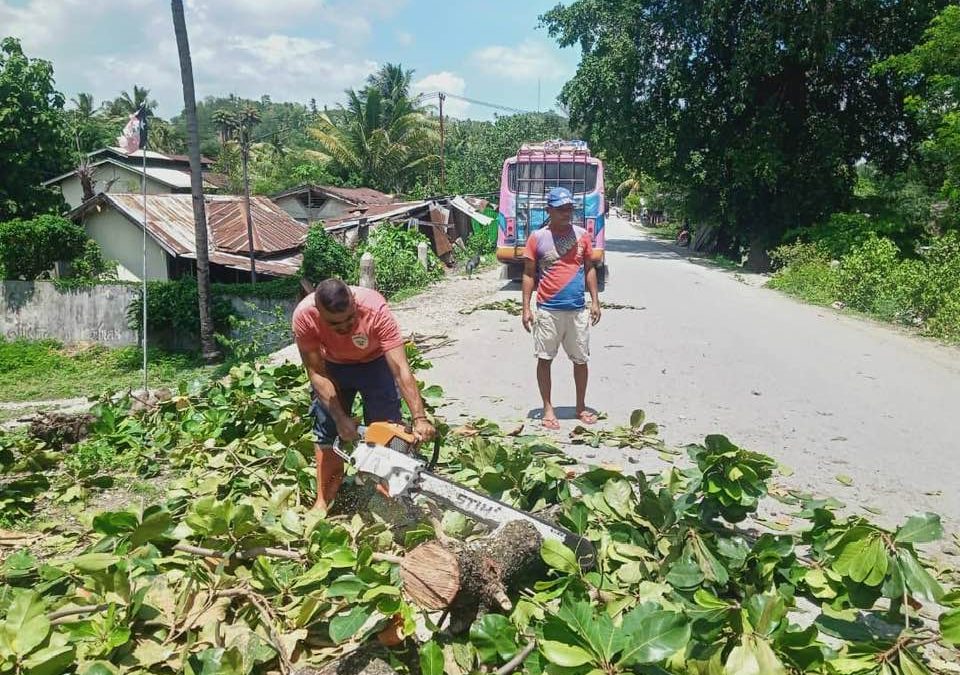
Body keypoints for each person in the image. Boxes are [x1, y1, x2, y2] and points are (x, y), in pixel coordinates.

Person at [292, 278, 436, 511]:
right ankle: (324, 500)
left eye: (350, 318)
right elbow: (316, 373)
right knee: (327, 431)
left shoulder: (375, 309)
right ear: (319, 312)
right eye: (335, 324)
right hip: (332, 367)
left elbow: (400, 369)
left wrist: (419, 417)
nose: (345, 327)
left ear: (354, 302)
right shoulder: (304, 317)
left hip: (375, 363)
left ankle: (387, 498)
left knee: (388, 431)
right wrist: (340, 419)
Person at [521, 186, 601, 430]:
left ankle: (580, 406)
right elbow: (528, 273)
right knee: (545, 359)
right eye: (561, 209)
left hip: (577, 310)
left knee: (580, 360)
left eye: (569, 209)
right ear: (550, 210)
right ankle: (547, 408)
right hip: (547, 310)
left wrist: (595, 301)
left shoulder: (582, 236)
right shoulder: (537, 238)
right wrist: (526, 307)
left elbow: (589, 269)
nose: (567, 213)